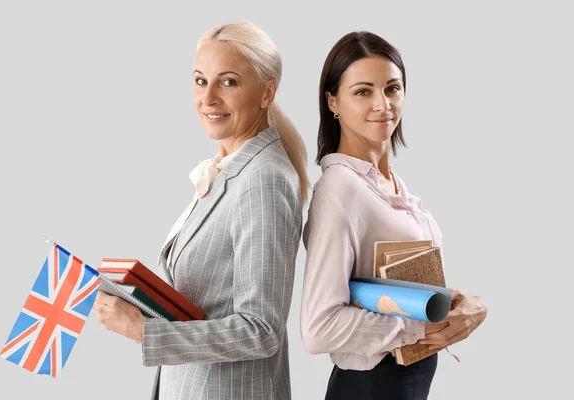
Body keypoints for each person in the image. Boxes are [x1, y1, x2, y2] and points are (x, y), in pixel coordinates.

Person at [91, 21, 308, 400]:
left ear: (267, 92)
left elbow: (262, 330)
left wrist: (144, 331)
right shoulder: (229, 168)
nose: (207, 98)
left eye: (228, 82)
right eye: (199, 80)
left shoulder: (264, 180)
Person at [300, 31, 487, 400]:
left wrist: (468, 307)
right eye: (363, 91)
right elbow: (318, 328)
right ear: (332, 101)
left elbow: (400, 289)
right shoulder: (340, 190)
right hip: (369, 387)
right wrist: (420, 328)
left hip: (408, 384)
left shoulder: (390, 186)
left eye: (392, 88)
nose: (383, 104)